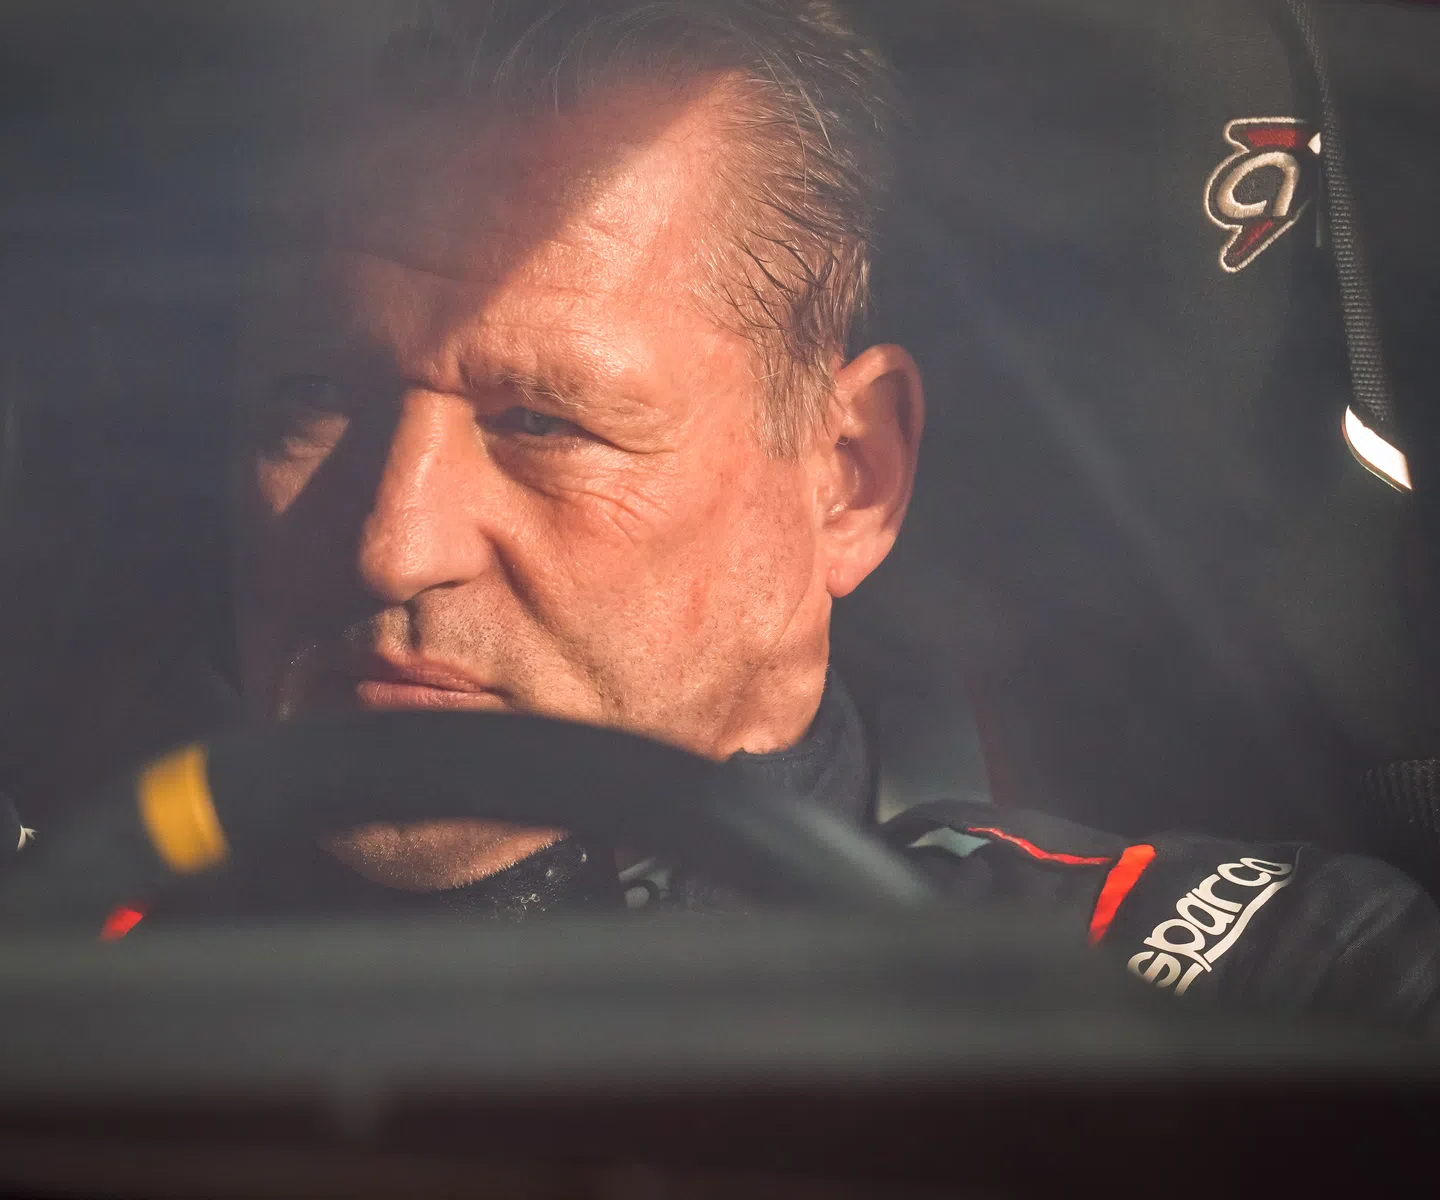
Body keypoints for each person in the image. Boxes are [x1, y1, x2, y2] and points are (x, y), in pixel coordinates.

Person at [206, 0, 1440, 1026]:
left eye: (546, 425)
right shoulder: (39, 964)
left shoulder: (1194, 1006)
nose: (390, 543)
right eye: (316, 397)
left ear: (846, 480)